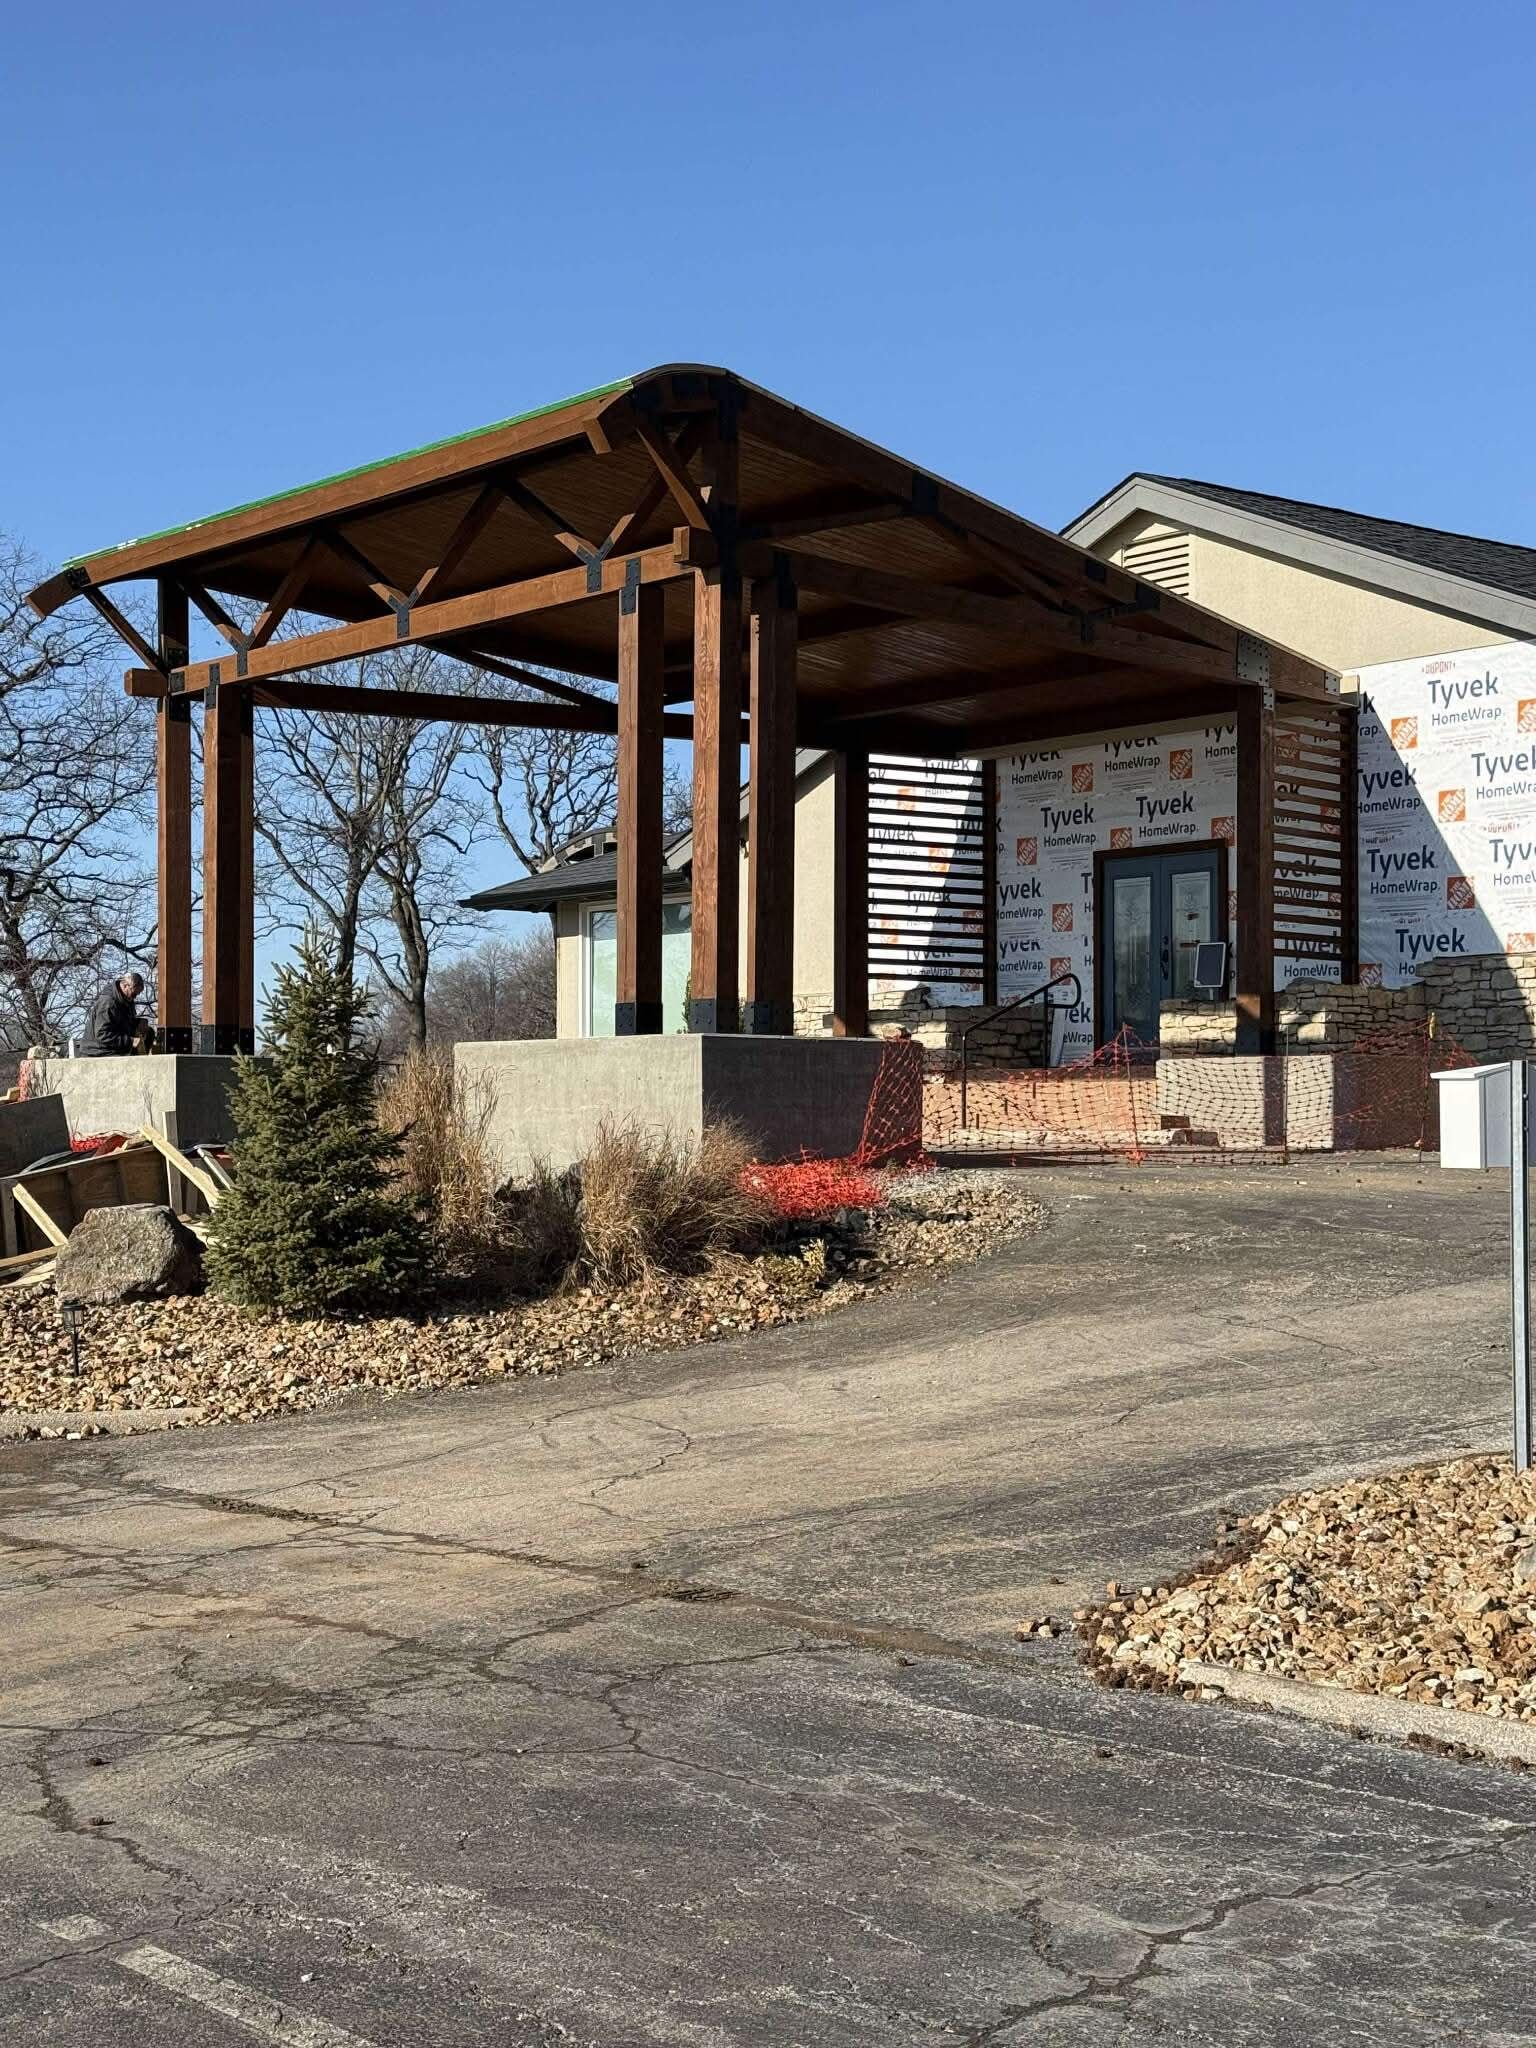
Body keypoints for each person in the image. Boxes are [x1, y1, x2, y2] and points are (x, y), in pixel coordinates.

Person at [80, 971, 148, 1057]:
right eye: (134, 994)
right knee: (129, 1063)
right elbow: (102, 1034)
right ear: (125, 986)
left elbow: (121, 1023)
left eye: (137, 994)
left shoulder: (126, 999)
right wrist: (130, 1041)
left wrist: (138, 1023)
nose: (135, 997)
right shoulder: (108, 1003)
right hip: (97, 1051)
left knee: (149, 1033)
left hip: (112, 1048)